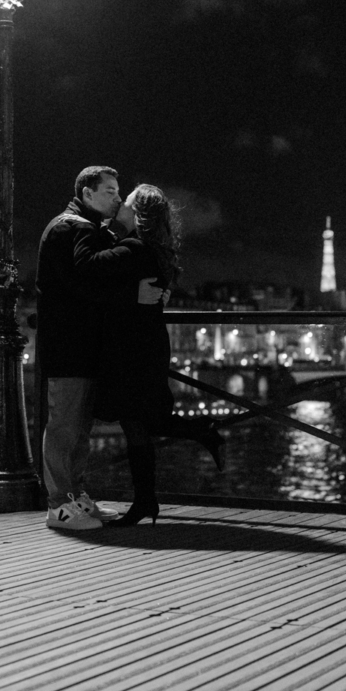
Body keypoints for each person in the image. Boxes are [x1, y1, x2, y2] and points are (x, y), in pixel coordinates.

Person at [36, 166, 165, 530]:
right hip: (70, 344)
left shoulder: (82, 227)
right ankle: (59, 505)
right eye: (109, 191)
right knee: (65, 426)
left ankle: (75, 498)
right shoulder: (71, 227)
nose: (118, 199)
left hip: (80, 342)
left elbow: (91, 277)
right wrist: (132, 293)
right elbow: (84, 280)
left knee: (78, 428)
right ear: (87, 193)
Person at [92, 184, 225, 526]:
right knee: (140, 422)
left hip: (132, 349)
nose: (121, 202)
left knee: (137, 422)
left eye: (128, 201)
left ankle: (148, 499)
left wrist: (107, 230)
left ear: (138, 214)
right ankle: (148, 497)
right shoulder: (153, 251)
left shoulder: (132, 248)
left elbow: (89, 269)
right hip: (146, 345)